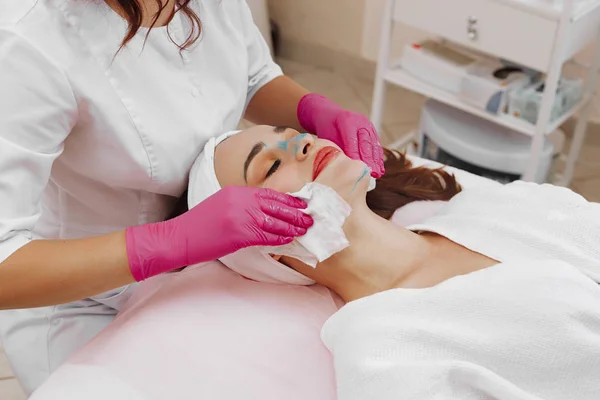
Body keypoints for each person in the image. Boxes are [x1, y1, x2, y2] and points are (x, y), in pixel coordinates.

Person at [0, 0, 385, 394]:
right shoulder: (26, 40)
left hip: (199, 276)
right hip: (82, 299)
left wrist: (312, 109)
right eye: (268, 167)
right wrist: (171, 242)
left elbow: (250, 75)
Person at [188, 125, 600, 399]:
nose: (302, 143)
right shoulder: (383, 352)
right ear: (271, 249)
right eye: (271, 165)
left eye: (293, 134)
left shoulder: (500, 206)